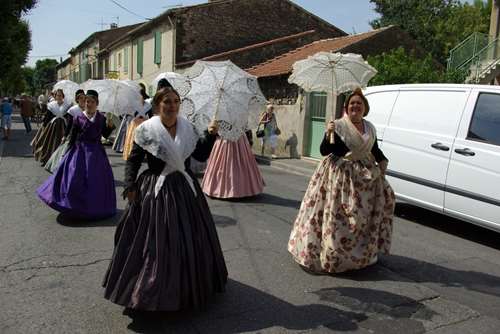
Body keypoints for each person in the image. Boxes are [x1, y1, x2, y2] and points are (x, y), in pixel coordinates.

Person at [103, 87, 227, 313]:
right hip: (156, 190)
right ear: (158, 104)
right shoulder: (147, 129)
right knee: (152, 241)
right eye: (167, 102)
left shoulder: (188, 128)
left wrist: (210, 135)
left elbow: (199, 155)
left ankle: (186, 285)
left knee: (189, 237)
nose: (172, 106)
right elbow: (134, 160)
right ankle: (149, 287)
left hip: (184, 189)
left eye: (176, 101)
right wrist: (130, 184)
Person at [288, 88, 395, 274]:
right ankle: (334, 256)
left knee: (361, 217)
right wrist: (328, 133)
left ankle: (358, 255)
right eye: (352, 103)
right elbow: (324, 150)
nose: (355, 106)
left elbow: (374, 149)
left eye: (359, 104)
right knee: (338, 216)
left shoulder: (370, 128)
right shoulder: (338, 125)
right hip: (339, 176)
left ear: (365, 108)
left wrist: (382, 161)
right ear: (346, 107)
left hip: (364, 178)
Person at [37, 90, 116, 220]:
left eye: (91, 102)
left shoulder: (101, 118)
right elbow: (73, 137)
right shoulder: (78, 118)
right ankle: (74, 206)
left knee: (96, 182)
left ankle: (94, 207)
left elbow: (105, 135)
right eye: (86, 101)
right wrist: (67, 152)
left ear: (97, 103)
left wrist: (110, 126)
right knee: (74, 180)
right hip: (80, 151)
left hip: (96, 154)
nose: (88, 104)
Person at [202, 131, 264, 199]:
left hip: (225, 138)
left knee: (224, 162)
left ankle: (222, 189)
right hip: (240, 139)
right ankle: (243, 190)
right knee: (242, 163)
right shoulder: (243, 120)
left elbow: (215, 128)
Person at [44, 89, 85, 173]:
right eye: (81, 98)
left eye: (84, 99)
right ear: (77, 100)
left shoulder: (88, 110)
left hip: (83, 136)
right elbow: (70, 125)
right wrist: (65, 136)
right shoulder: (73, 110)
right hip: (70, 134)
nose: (83, 100)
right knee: (66, 152)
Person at [31, 89, 71, 165]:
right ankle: (46, 159)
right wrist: (44, 125)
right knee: (48, 143)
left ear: (63, 96)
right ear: (55, 96)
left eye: (60, 95)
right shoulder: (51, 105)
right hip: (52, 126)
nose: (59, 97)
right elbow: (48, 116)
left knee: (62, 143)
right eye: (57, 95)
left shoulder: (67, 105)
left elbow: (68, 118)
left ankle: (62, 161)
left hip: (63, 126)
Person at [121, 88, 152, 160]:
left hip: (145, 125)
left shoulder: (149, 105)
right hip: (135, 125)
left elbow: (150, 115)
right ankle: (131, 154)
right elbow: (131, 114)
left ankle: (145, 155)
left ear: (143, 95)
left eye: (140, 95)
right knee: (133, 140)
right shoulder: (134, 105)